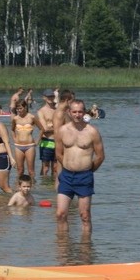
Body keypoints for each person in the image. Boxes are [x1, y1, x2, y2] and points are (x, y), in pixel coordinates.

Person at [55, 99, 105, 235]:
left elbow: (100, 156)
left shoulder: (92, 132)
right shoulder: (62, 130)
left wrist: (88, 169)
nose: (77, 115)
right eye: (74, 112)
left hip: (84, 177)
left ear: (84, 112)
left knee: (85, 216)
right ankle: (64, 248)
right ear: (69, 112)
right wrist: (68, 165)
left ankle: (85, 250)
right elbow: (58, 153)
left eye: (80, 112)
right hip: (66, 176)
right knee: (60, 214)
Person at [10, 99, 43, 179]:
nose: (19, 110)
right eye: (17, 109)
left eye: (20, 108)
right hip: (18, 146)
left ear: (25, 107)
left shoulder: (32, 117)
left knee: (31, 171)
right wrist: (14, 139)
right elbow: (12, 130)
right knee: (20, 170)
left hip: (30, 146)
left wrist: (38, 141)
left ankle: (32, 188)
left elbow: (42, 129)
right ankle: (19, 187)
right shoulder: (15, 119)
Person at [35, 89, 58, 177]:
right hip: (46, 142)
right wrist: (57, 127)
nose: (50, 98)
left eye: (52, 96)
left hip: (57, 142)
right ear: (44, 98)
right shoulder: (41, 111)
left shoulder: (58, 110)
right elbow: (45, 129)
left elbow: (65, 126)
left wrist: (51, 126)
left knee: (56, 168)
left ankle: (53, 189)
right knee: (45, 168)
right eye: (48, 96)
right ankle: (43, 187)